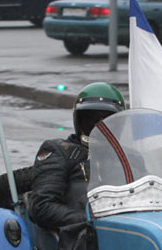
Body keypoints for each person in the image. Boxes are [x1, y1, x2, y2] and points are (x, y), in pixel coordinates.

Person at [30, 82, 125, 230]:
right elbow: (42, 207)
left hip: (128, 230)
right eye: (91, 118)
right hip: (80, 238)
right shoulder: (61, 152)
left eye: (107, 119)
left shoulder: (131, 157)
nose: (99, 126)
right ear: (79, 121)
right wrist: (91, 220)